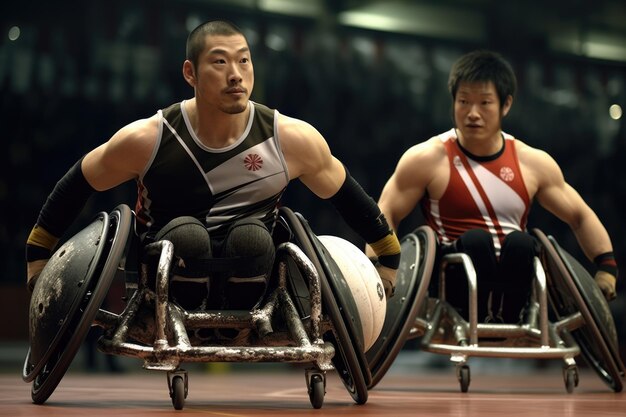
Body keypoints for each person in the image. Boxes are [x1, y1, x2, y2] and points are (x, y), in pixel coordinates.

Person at [25, 20, 400, 318]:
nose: (236, 74)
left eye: (244, 60)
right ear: (190, 73)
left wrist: (389, 256)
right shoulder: (149, 138)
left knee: (252, 237)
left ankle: (238, 316)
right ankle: (190, 308)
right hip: (166, 273)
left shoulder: (291, 138)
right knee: (188, 236)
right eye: (220, 62)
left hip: (255, 271)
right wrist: (37, 254)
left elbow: (347, 196)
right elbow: (77, 184)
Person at [369, 49, 617, 323]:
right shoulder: (427, 158)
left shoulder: (532, 163)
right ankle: (473, 313)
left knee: (523, 243)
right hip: (451, 285)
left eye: (485, 103)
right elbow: (385, 212)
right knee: (478, 240)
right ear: (453, 102)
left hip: (515, 281)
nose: (473, 113)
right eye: (463, 101)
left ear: (505, 105)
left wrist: (606, 267)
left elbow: (579, 215)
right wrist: (379, 269)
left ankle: (511, 316)